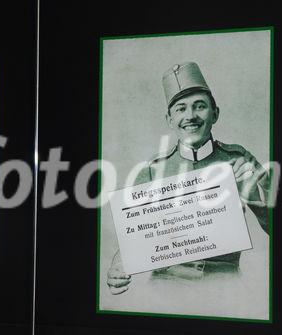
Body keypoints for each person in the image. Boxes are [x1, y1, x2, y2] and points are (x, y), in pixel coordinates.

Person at [107, 61, 270, 295]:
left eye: (199, 106)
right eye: (181, 109)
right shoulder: (153, 170)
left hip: (225, 284)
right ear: (169, 119)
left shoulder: (239, 158)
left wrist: (254, 194)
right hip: (167, 286)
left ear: (215, 114)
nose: (190, 116)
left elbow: (281, 228)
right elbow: (132, 236)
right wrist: (117, 268)